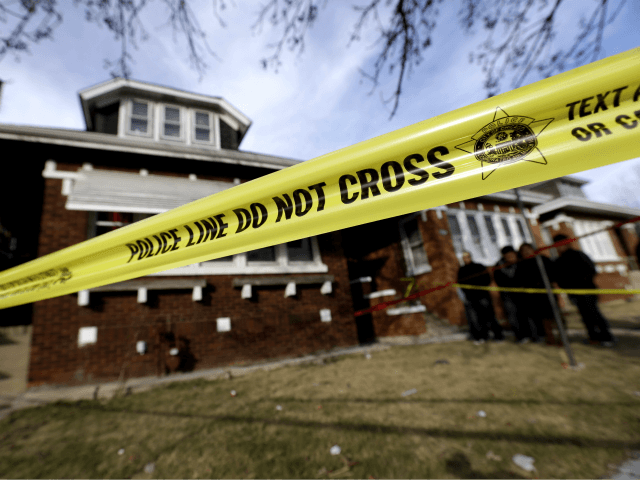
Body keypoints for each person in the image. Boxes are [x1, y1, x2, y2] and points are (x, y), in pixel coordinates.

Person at [552, 234, 616, 347]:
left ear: (567, 243)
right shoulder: (558, 261)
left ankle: (607, 336)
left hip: (587, 290)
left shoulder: (578, 255)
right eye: (557, 245)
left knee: (594, 313)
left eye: (562, 244)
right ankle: (593, 336)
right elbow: (558, 277)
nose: (560, 247)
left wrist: (582, 283)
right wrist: (566, 287)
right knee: (584, 315)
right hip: (574, 293)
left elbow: (591, 269)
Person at [516, 243, 560, 345]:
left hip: (548, 293)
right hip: (533, 297)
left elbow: (553, 275)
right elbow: (520, 281)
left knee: (555, 316)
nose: (526, 252)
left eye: (528, 249)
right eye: (523, 251)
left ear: (533, 249)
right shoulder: (521, 265)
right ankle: (550, 338)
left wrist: (558, 292)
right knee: (543, 319)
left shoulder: (543, 260)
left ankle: (561, 337)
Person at [457, 251, 504, 344]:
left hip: (483, 296)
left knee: (490, 317)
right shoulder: (461, 270)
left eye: (467, 257)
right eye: (464, 258)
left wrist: (479, 287)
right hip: (470, 298)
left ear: (470, 257)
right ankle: (482, 336)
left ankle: (498, 336)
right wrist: (467, 292)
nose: (466, 259)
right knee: (476, 319)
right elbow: (460, 283)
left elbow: (487, 279)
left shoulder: (479, 266)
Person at [493, 245, 532, 343]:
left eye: (512, 255)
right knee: (513, 316)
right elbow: (498, 281)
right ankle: (520, 336)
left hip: (523, 294)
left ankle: (532, 334)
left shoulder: (521, 262)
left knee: (526, 315)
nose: (511, 258)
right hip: (508, 296)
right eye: (508, 256)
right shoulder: (499, 266)